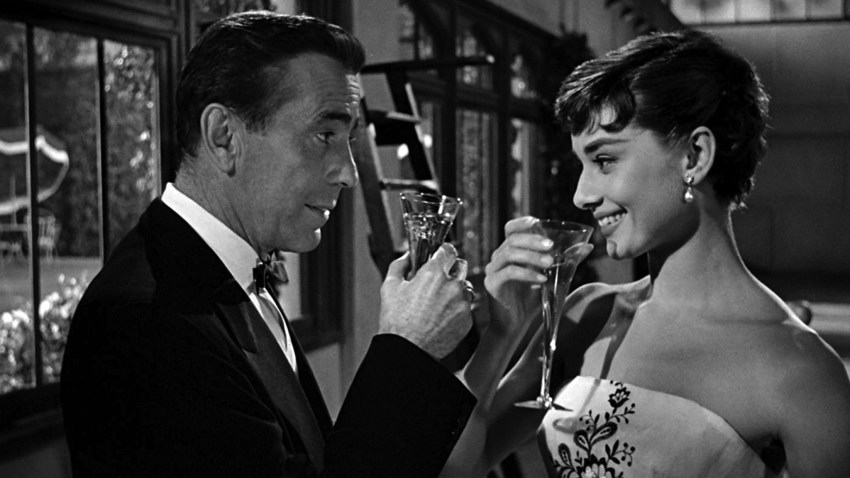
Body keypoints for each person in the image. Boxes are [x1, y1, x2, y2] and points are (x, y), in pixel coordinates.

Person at [60, 11, 476, 478]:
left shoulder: (231, 271)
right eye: (325, 135)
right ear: (223, 136)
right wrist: (407, 350)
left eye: (349, 139)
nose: (349, 173)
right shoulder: (145, 320)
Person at [442, 30, 850, 477]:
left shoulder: (801, 371)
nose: (581, 194)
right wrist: (503, 333)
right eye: (581, 164)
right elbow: (456, 467)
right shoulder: (587, 315)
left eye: (604, 160)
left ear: (694, 156)